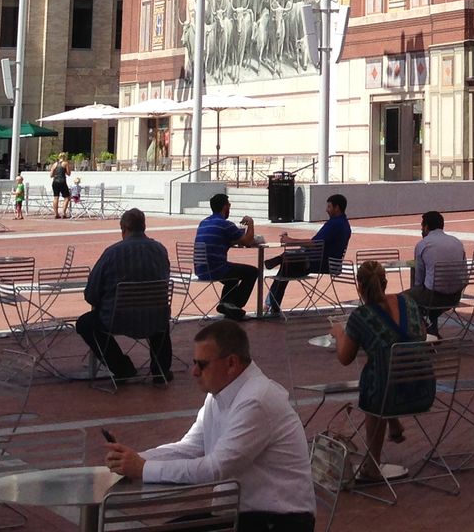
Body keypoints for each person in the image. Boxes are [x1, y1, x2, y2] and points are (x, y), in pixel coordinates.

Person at [102, 320, 316, 532]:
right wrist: (135, 459)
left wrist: (142, 468)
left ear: (231, 363)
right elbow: (190, 447)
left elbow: (215, 469)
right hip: (241, 513)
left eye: (202, 364)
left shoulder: (256, 400)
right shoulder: (221, 394)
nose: (194, 372)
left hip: (280, 520)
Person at [332, 260, 434, 481]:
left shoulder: (361, 316)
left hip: (388, 396)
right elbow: (422, 335)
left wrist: (338, 333)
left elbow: (345, 358)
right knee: (385, 365)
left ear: (359, 286)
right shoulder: (408, 302)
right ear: (385, 282)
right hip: (423, 389)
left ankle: (372, 465)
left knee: (375, 376)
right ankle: (393, 422)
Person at [76, 208, 174, 384]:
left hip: (117, 319)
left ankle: (121, 367)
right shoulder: (160, 250)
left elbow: (91, 293)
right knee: (157, 313)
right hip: (156, 318)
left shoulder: (112, 253)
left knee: (85, 324)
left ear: (123, 229)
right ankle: (161, 369)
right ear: (144, 226)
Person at [264, 193, 351, 318]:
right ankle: (272, 303)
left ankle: (271, 304)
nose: (327, 210)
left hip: (321, 263)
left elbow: (314, 243)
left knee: (287, 264)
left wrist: (290, 240)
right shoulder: (343, 224)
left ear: (337, 208)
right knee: (288, 263)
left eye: (329, 207)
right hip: (328, 262)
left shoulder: (334, 224)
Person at [194, 193, 259, 321]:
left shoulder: (204, 222)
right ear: (225, 207)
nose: (230, 208)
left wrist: (231, 241)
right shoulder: (225, 224)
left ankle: (226, 303)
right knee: (252, 272)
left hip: (201, 269)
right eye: (229, 206)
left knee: (233, 274)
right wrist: (250, 223)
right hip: (216, 269)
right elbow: (247, 241)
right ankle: (235, 306)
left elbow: (217, 240)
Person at [409, 210, 469, 333]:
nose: (421, 230)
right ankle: (432, 331)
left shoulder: (423, 244)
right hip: (455, 296)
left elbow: (419, 280)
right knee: (428, 295)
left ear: (426, 227)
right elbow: (464, 275)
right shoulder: (457, 242)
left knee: (404, 299)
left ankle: (419, 332)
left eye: (422, 226)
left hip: (432, 297)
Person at [49, 153, 71, 218]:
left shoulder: (54, 164)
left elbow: (51, 175)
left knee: (56, 197)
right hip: (62, 181)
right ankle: (63, 213)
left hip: (55, 182)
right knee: (67, 197)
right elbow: (68, 173)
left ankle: (56, 213)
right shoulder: (65, 163)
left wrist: (56, 174)